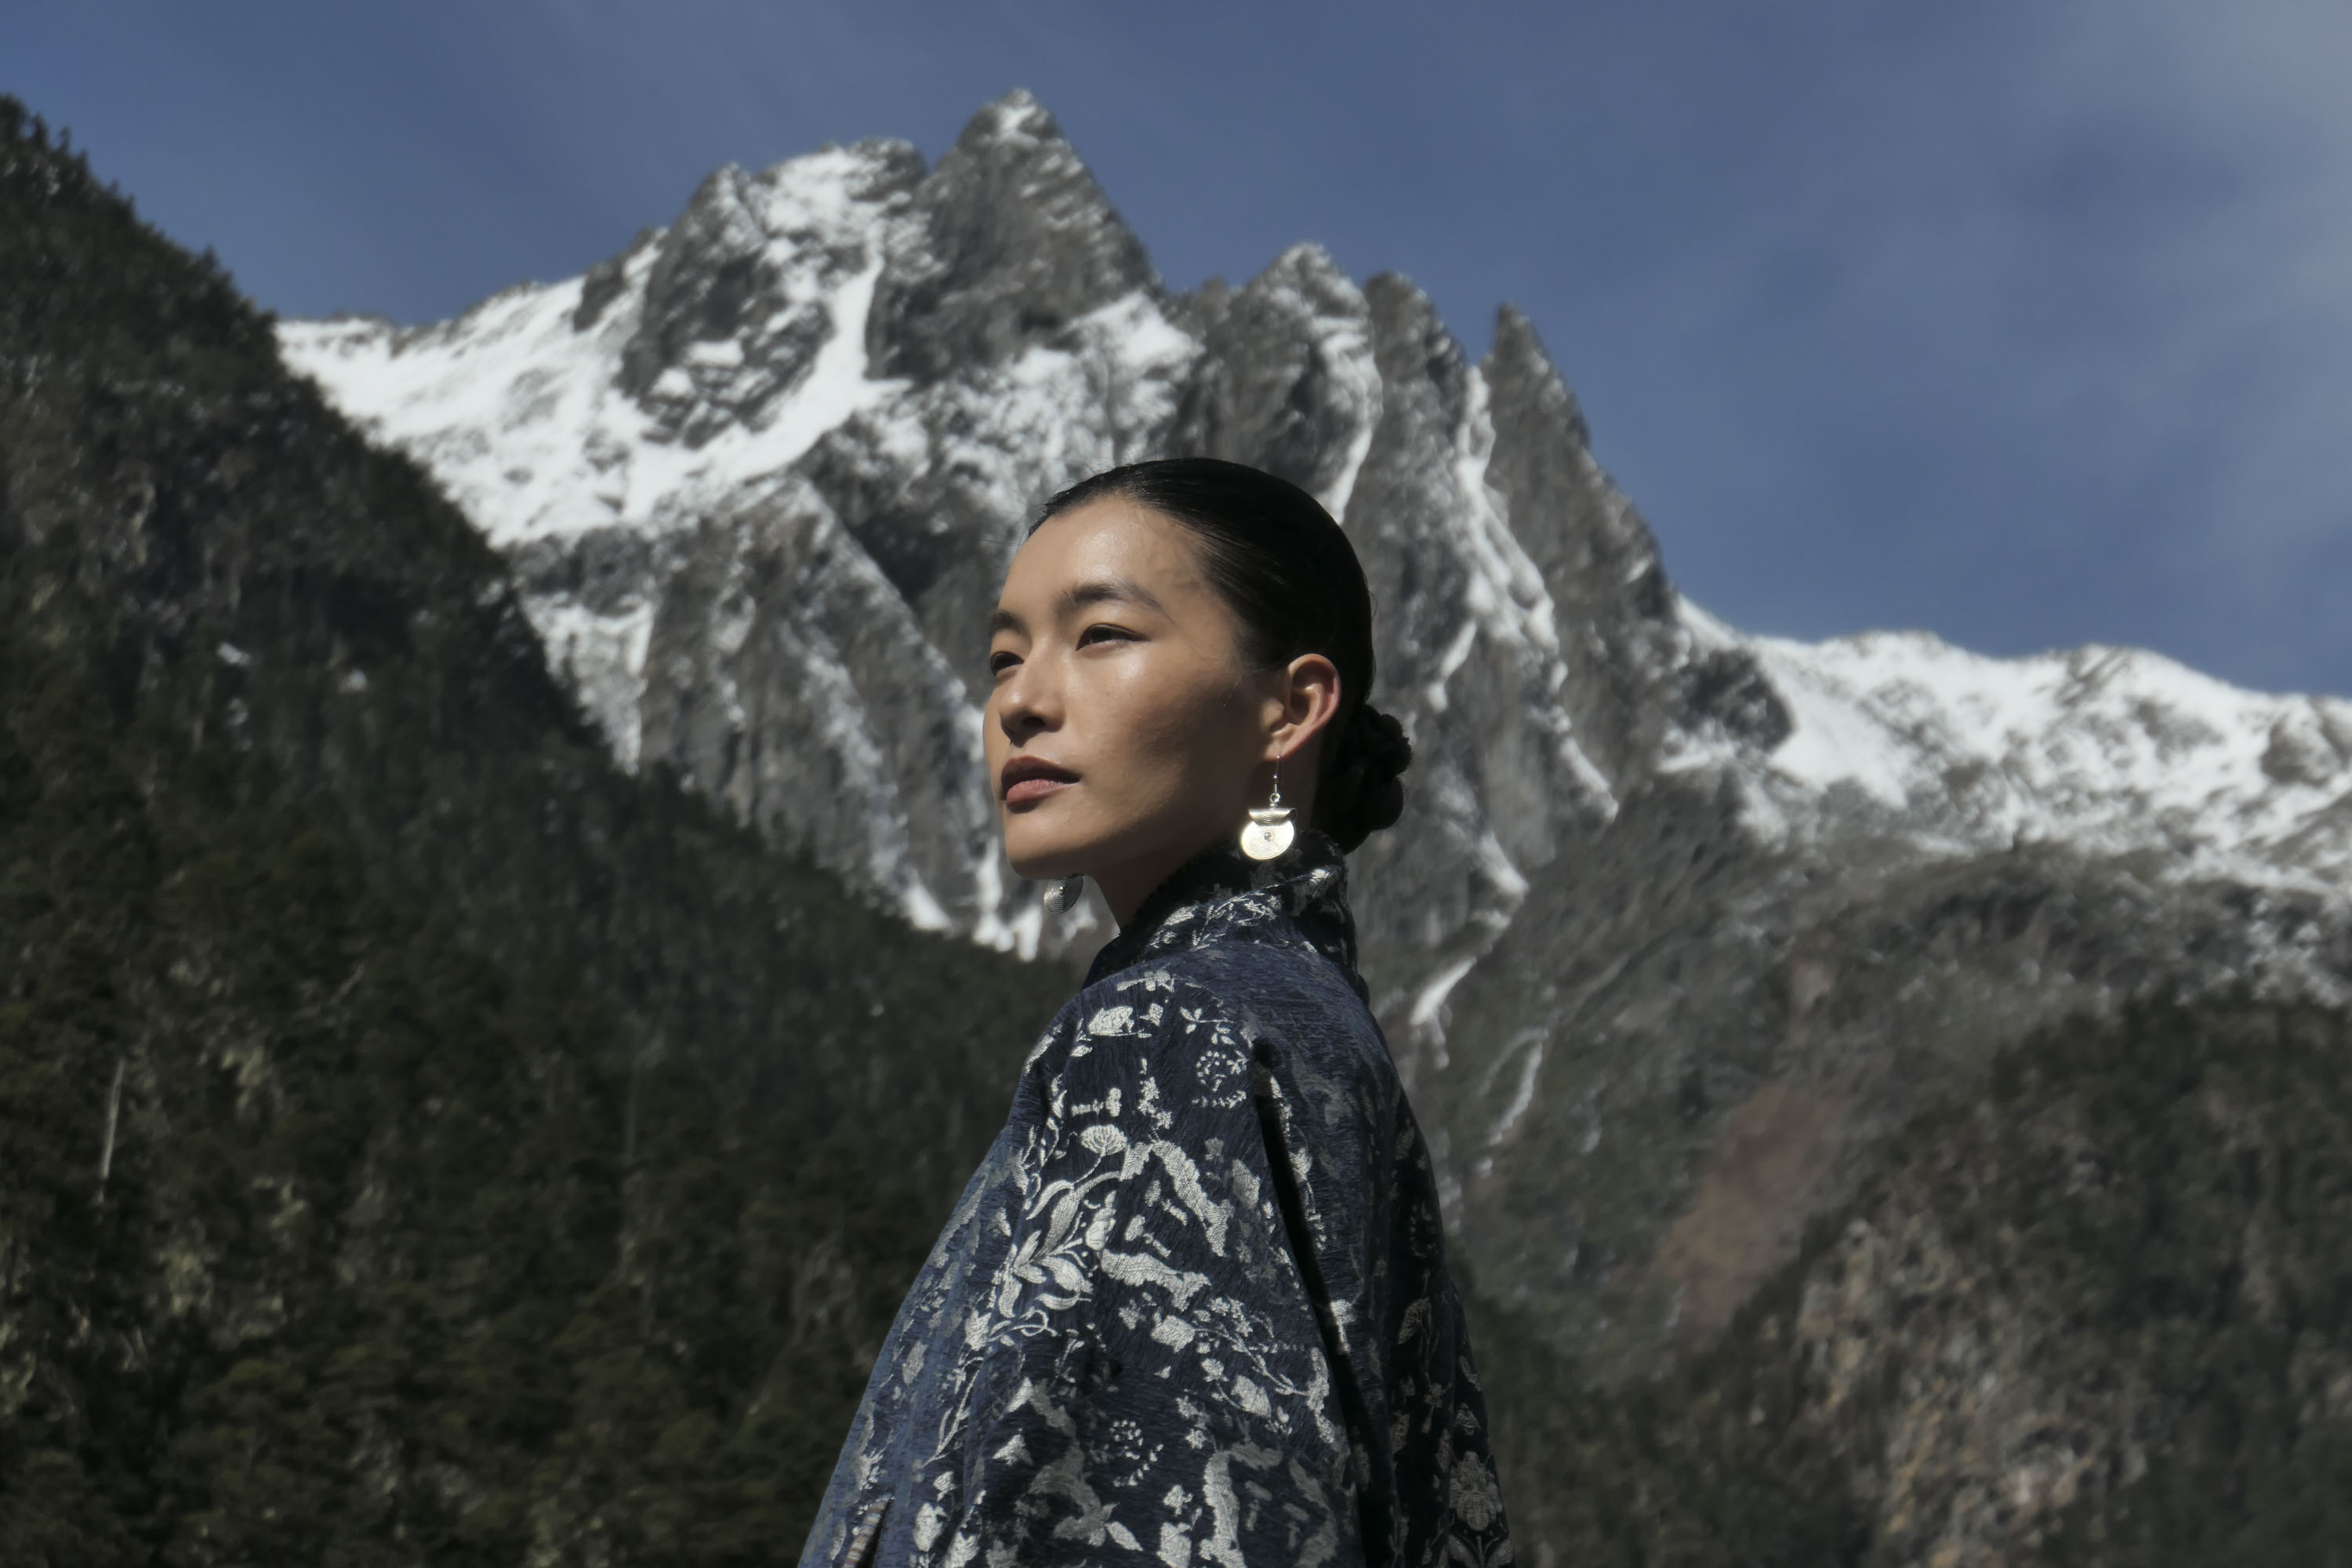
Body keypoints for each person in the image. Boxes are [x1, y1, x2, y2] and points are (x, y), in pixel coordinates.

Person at [800, 458, 1512, 1568]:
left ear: (1291, 707)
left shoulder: (1170, 1033)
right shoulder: (1297, 1021)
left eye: (1101, 636)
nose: (1021, 700)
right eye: (1002, 657)